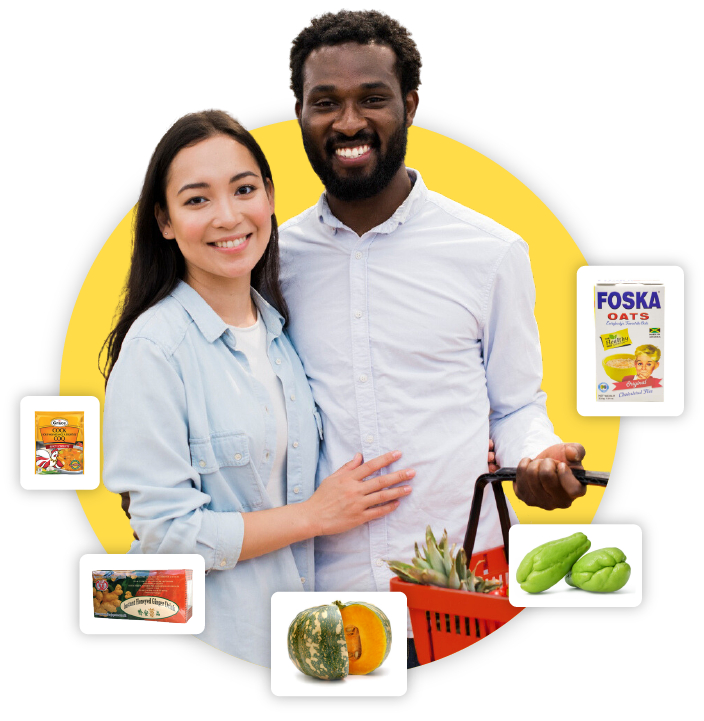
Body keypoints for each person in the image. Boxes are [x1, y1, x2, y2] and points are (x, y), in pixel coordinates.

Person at [281, 9, 589, 666]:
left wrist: (537, 460)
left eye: (373, 98)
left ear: (412, 105)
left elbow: (515, 404)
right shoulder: (267, 262)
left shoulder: (490, 251)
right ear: (299, 113)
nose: (349, 122)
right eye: (325, 102)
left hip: (457, 591)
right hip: (311, 593)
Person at [101, 108, 416, 667]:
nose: (228, 216)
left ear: (269, 197)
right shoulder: (157, 349)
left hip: (301, 651)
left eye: (243, 189)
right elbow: (166, 537)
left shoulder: (279, 331)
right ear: (165, 221)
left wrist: (452, 449)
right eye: (197, 199)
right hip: (213, 648)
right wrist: (314, 516)